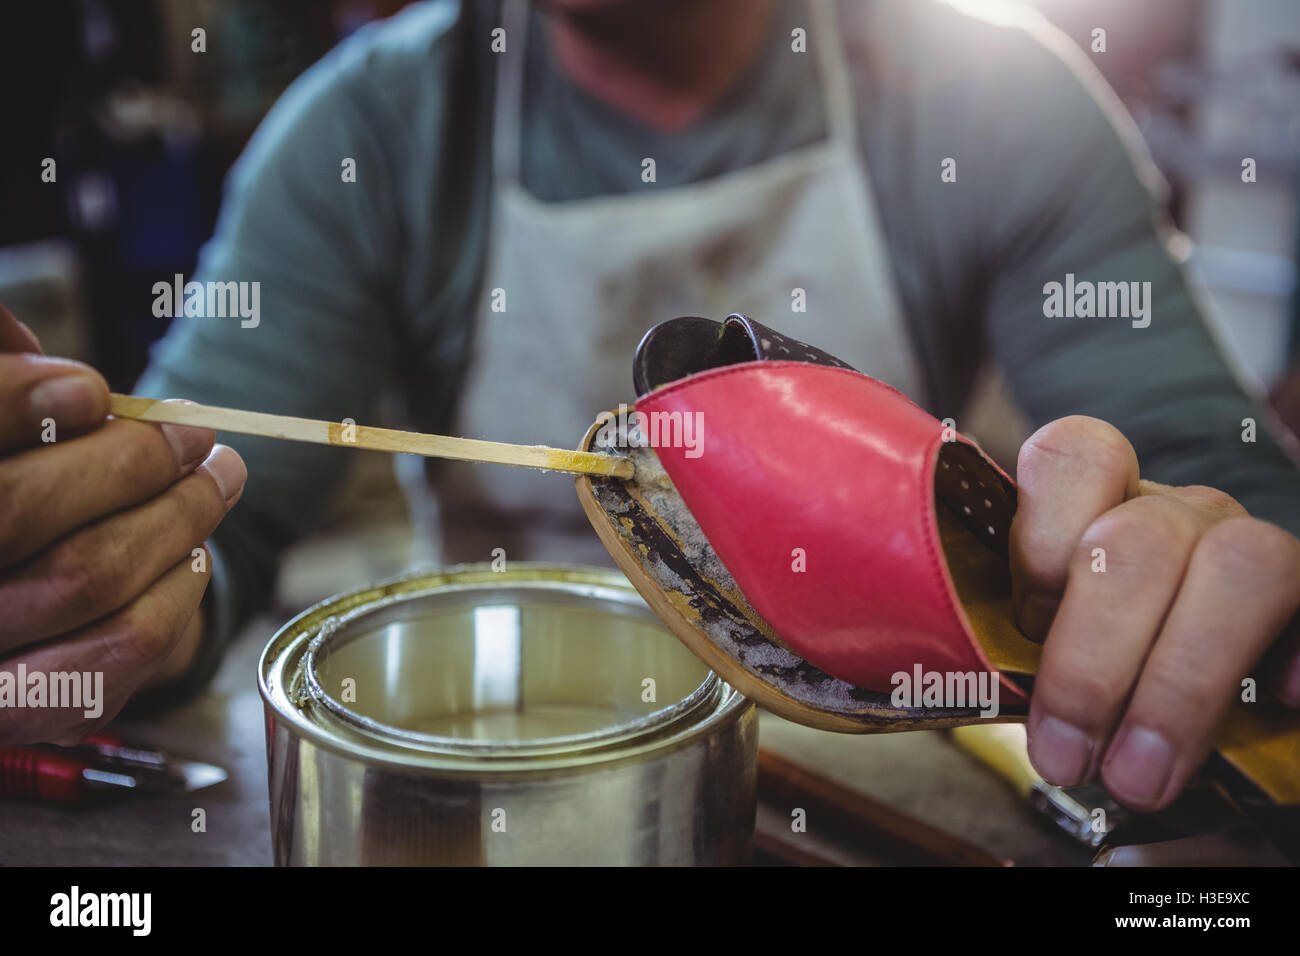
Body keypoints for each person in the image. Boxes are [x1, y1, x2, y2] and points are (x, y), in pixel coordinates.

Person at [2, 0, 1298, 815]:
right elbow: (199, 503)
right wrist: (84, 578)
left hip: (864, 790)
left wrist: (1201, 563)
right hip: (477, 784)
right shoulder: (369, 132)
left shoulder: (997, 103)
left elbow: (1220, 479)